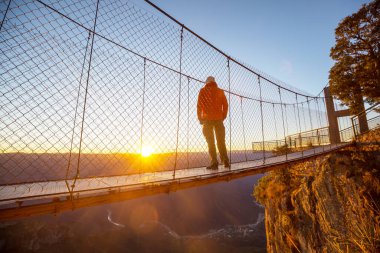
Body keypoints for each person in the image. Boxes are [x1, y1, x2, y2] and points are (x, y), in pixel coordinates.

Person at [197, 76, 230, 170]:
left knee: (210, 142)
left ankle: (214, 163)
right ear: (214, 82)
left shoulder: (203, 91)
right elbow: (226, 105)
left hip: (207, 119)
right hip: (219, 119)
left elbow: (199, 105)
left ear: (206, 82)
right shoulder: (220, 91)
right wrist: (223, 116)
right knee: (221, 141)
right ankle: (225, 161)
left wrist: (200, 118)